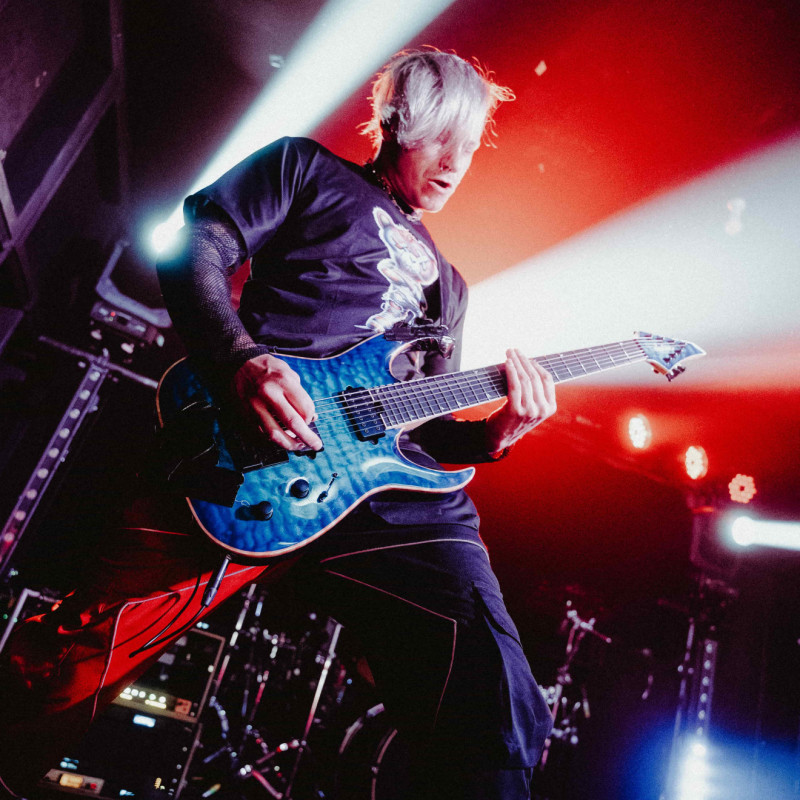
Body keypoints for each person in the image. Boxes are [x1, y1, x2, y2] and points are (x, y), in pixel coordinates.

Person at [0, 49, 556, 799]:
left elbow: (426, 432)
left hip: (382, 496)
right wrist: (240, 359)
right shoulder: (304, 169)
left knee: (489, 674)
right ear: (397, 122)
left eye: (469, 145)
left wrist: (492, 436)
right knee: (77, 656)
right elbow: (195, 249)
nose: (456, 162)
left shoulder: (450, 291)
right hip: (251, 449)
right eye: (440, 138)